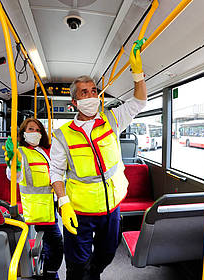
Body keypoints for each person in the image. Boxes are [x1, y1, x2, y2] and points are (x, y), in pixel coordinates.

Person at [50, 40, 147, 280]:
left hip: (111, 208)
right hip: (79, 211)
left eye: (94, 90)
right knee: (76, 262)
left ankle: (94, 273)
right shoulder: (63, 135)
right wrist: (63, 202)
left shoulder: (112, 120)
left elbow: (139, 101)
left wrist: (137, 73)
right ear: (75, 102)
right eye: (85, 92)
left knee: (107, 254)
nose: (92, 95)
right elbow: (55, 172)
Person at [5, 118, 64, 280]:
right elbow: (14, 178)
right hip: (37, 207)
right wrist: (13, 163)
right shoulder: (21, 152)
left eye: (38, 130)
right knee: (57, 244)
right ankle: (51, 274)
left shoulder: (44, 150)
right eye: (31, 129)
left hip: (50, 204)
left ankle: (48, 271)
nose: (35, 132)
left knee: (49, 242)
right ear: (23, 133)